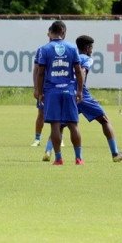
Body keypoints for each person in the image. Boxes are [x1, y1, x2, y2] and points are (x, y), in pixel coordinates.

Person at [33, 21, 84, 165]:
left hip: (52, 91)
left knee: (55, 125)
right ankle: (78, 158)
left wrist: (39, 91)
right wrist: (79, 90)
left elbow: (40, 73)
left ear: (52, 32)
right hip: (69, 90)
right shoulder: (72, 47)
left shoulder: (45, 49)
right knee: (73, 124)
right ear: (63, 31)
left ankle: (58, 158)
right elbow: (78, 72)